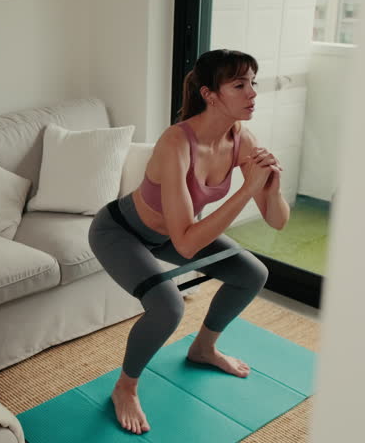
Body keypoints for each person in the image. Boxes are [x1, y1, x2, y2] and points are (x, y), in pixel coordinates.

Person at [87, 49, 291, 434]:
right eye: (239, 84)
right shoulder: (176, 143)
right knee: (167, 306)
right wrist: (248, 188)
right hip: (120, 231)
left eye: (253, 83)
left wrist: (272, 186)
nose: (252, 93)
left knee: (252, 273)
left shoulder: (240, 138)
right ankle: (125, 387)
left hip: (170, 234)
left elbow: (278, 220)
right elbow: (185, 245)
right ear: (210, 94)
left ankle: (203, 348)